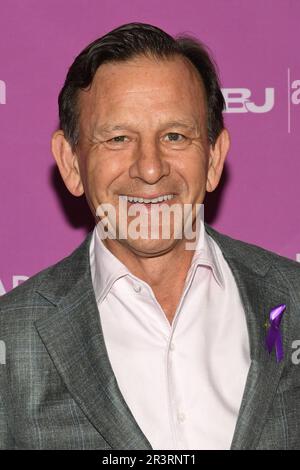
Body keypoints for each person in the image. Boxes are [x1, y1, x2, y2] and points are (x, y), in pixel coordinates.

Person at [0, 22, 300, 451]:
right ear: (70, 163)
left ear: (214, 158)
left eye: (175, 136)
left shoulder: (292, 300)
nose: (151, 168)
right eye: (118, 138)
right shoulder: (9, 338)